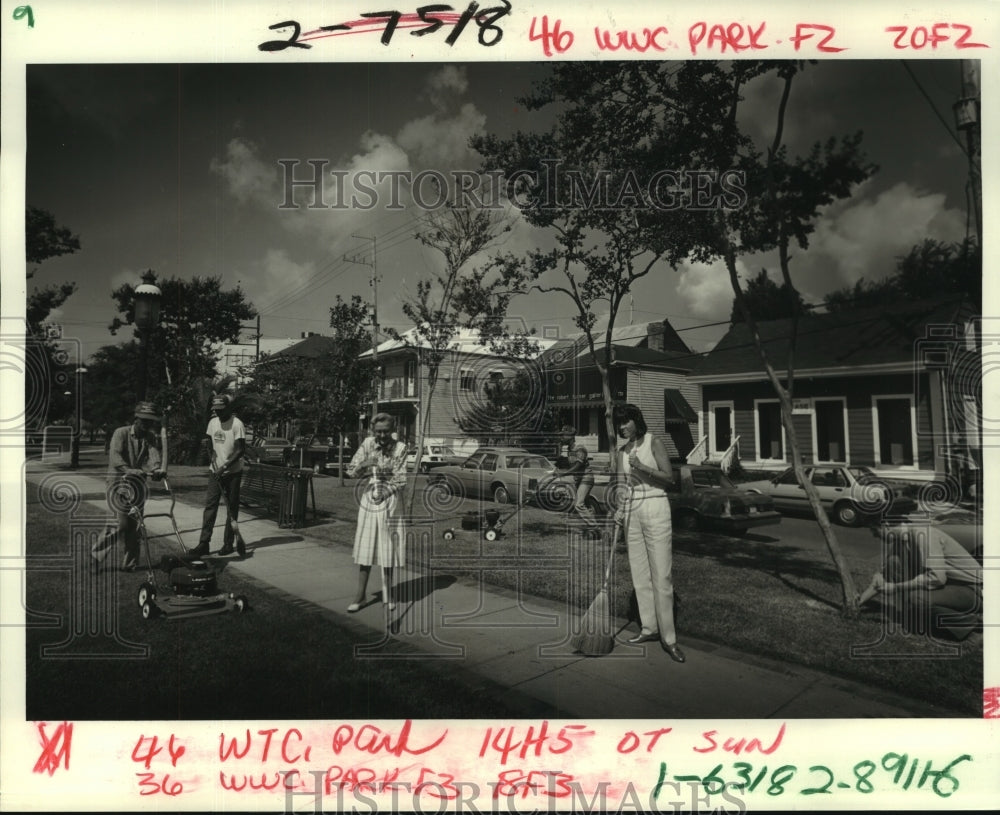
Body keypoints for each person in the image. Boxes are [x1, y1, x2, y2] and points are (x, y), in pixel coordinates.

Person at [613, 403, 686, 663]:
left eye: (625, 422)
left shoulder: (653, 442)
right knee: (640, 574)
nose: (622, 427)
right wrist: (619, 507)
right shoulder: (621, 451)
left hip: (655, 505)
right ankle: (649, 628)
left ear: (636, 420)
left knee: (661, 575)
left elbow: (669, 478)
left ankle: (670, 639)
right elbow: (622, 485)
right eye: (618, 424)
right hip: (632, 511)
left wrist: (641, 466)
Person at [858, 521, 982, 641]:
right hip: (950, 587)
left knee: (918, 598)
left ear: (887, 525)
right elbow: (883, 578)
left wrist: (896, 587)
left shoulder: (922, 534)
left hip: (974, 589)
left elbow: (937, 578)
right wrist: (859, 601)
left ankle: (970, 627)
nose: (874, 535)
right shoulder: (900, 540)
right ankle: (912, 615)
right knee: (893, 562)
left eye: (874, 530)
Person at [91, 402, 166, 571]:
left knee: (136, 526)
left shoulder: (150, 437)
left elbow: (153, 456)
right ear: (136, 419)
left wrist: (157, 469)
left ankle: (130, 565)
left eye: (151, 422)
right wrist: (129, 470)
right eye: (145, 421)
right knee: (119, 524)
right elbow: (115, 457)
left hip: (137, 485)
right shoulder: (121, 433)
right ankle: (96, 556)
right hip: (118, 483)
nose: (148, 425)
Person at [345, 413, 408, 612]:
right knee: (366, 547)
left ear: (393, 430)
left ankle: (388, 594)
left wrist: (386, 493)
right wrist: (364, 464)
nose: (382, 435)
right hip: (370, 499)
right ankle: (360, 596)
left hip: (389, 500)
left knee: (387, 549)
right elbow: (351, 471)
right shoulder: (367, 444)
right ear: (373, 431)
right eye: (378, 431)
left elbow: (400, 479)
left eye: (386, 431)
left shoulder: (401, 448)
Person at [189, 394, 246, 558]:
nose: (218, 413)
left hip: (233, 472)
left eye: (221, 410)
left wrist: (225, 467)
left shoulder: (237, 424)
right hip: (215, 471)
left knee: (231, 508)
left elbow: (240, 450)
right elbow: (209, 441)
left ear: (228, 408)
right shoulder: (213, 422)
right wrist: (206, 444)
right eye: (216, 410)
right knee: (210, 507)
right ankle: (204, 543)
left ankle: (228, 544)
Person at [552, 424, 596, 521]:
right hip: (578, 479)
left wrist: (563, 473)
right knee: (586, 505)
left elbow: (577, 466)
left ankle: (595, 528)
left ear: (571, 436)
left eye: (563, 435)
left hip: (586, 477)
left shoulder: (580, 448)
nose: (561, 437)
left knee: (579, 505)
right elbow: (570, 465)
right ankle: (592, 530)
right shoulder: (569, 449)